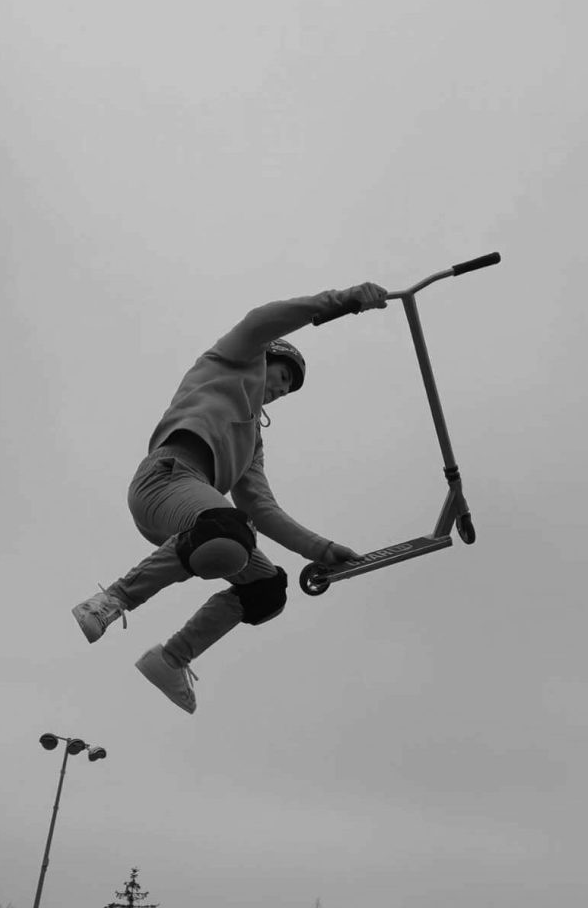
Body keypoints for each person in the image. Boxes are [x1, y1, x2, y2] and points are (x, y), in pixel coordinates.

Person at [72, 280, 387, 712]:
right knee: (228, 530)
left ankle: (170, 659)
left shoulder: (252, 442)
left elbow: (261, 507)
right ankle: (112, 600)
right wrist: (343, 300)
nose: (278, 391)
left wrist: (323, 549)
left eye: (285, 392)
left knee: (267, 588)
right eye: (278, 379)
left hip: (195, 511)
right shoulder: (229, 361)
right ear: (265, 361)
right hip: (164, 478)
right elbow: (262, 319)